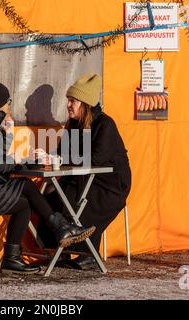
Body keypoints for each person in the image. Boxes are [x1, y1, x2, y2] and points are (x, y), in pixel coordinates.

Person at [0, 80, 95, 274]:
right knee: (26, 187)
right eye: (7, 102)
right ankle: (60, 228)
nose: (8, 106)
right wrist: (18, 160)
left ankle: (14, 257)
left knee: (24, 201)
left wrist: (7, 136)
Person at [37, 73, 132, 270]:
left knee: (70, 202)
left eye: (73, 101)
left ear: (86, 104)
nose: (68, 105)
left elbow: (95, 159)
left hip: (110, 186)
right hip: (82, 180)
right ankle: (59, 251)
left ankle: (88, 254)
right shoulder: (73, 124)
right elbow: (63, 153)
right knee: (47, 198)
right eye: (68, 100)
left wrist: (62, 160)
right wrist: (48, 157)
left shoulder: (105, 125)